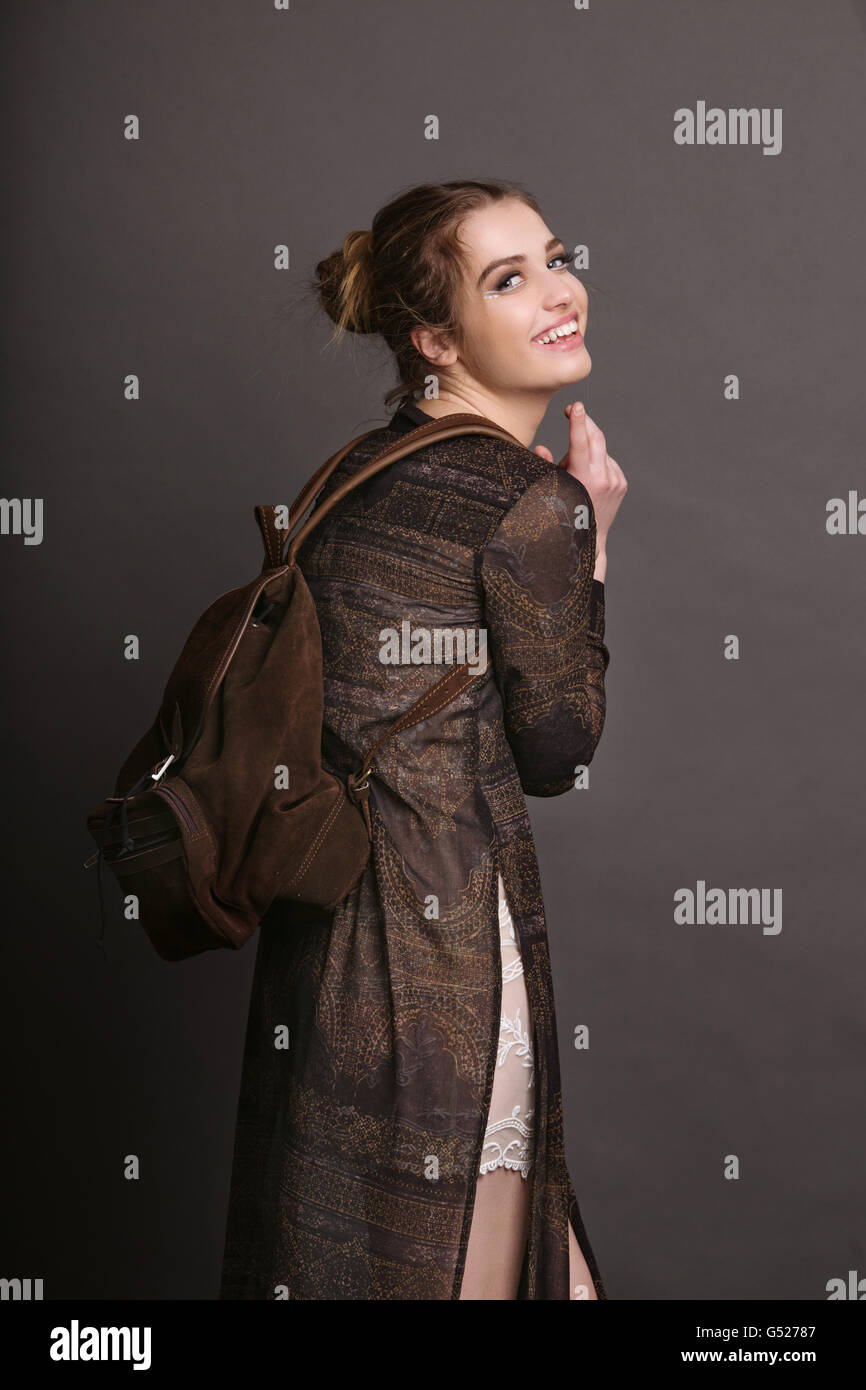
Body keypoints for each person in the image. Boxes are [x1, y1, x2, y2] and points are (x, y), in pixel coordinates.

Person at [219, 178, 627, 1301]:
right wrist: (589, 547)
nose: (558, 292)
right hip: (444, 974)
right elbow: (557, 750)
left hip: (321, 958)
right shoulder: (530, 502)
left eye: (553, 256)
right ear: (433, 337)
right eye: (510, 279)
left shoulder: (346, 474)